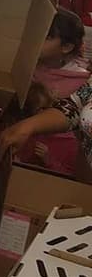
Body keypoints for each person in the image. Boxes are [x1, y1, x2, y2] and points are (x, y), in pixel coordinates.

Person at [11, 10, 88, 176]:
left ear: (67, 47)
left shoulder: (78, 82)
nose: (37, 40)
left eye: (47, 37)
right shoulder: (25, 65)